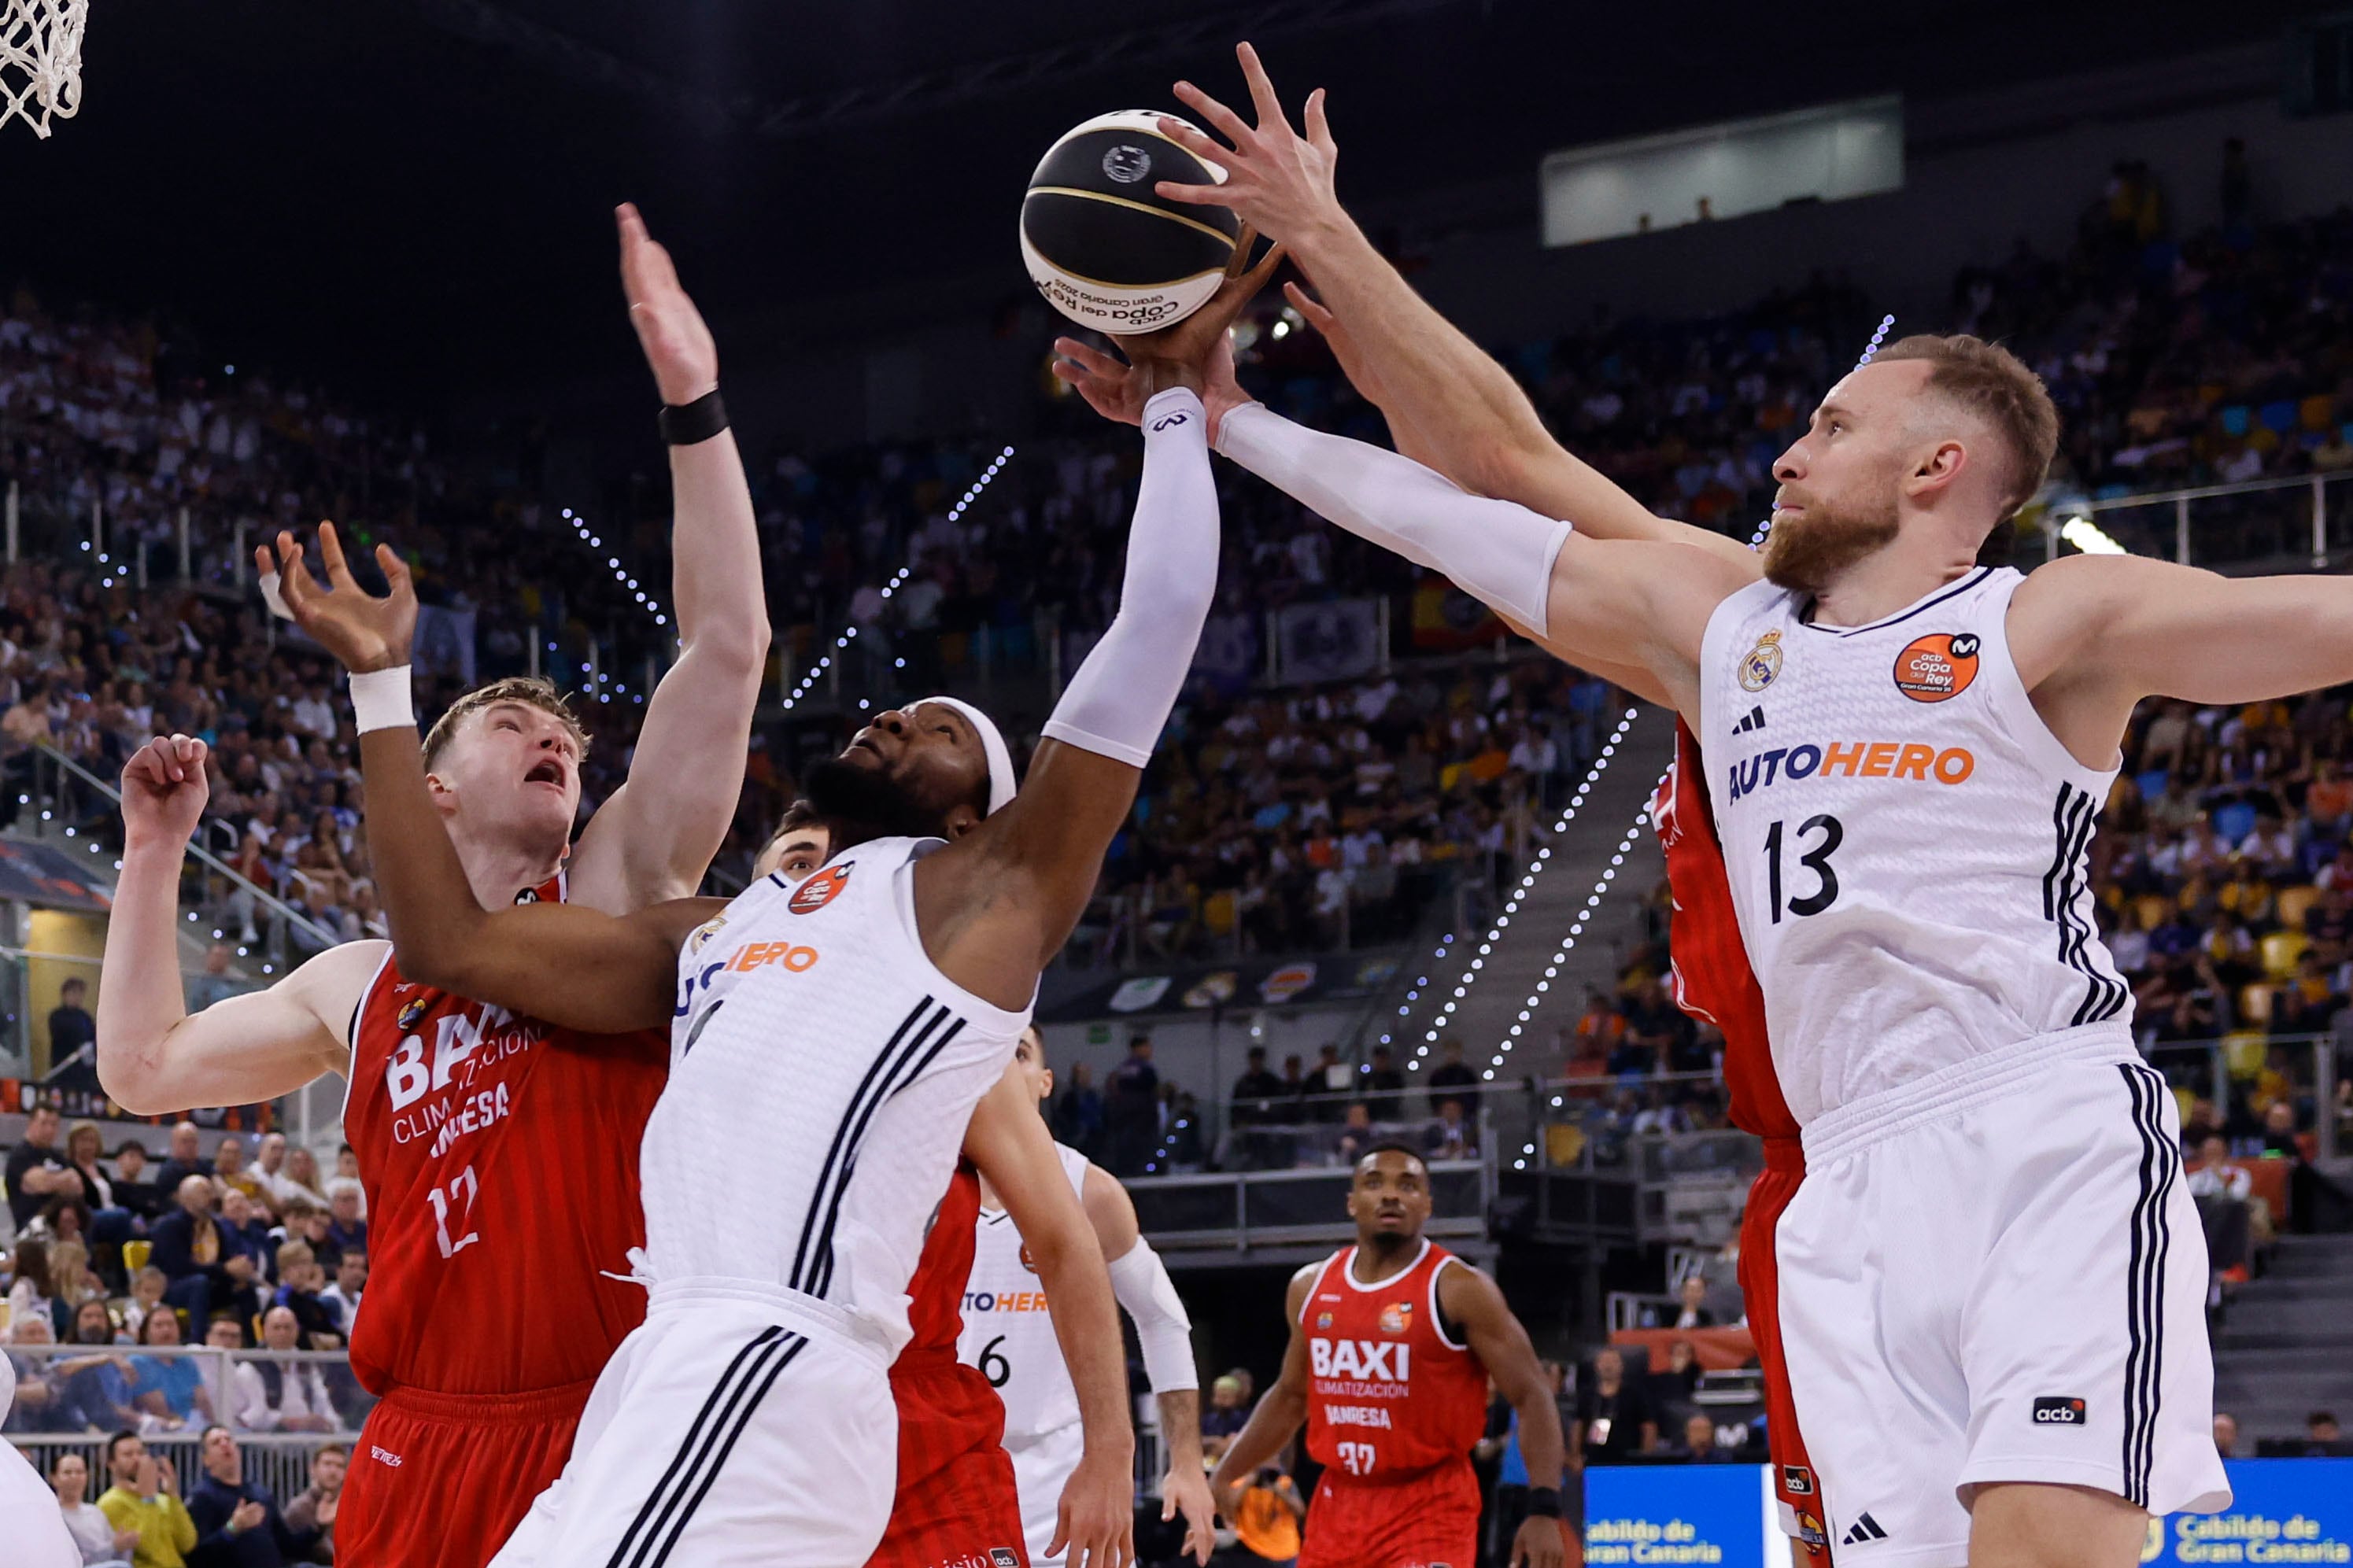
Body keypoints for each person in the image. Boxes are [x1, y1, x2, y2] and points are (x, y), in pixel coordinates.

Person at [1117, 42, 2259, 1564]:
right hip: (1820, 1166)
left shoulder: (1909, 627)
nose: (1784, 451)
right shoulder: (1739, 630)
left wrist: (1313, 261)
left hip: (1990, 1117)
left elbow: (1496, 465)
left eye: (1829, 427)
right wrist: (1234, 391)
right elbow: (1484, 477)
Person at [277, 236, 1269, 1565]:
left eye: (931, 727)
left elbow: (1153, 624)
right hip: (664, 1361)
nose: (889, 715)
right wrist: (380, 690)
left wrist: (1171, 407)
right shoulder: (722, 930)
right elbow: (450, 942)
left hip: (777, 1355)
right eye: (891, 703)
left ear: (977, 814)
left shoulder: (977, 904)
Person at [95, 208, 772, 1568]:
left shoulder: (622, 879)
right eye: (515, 725)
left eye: (568, 738)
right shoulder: (360, 979)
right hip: (421, 1434)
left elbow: (726, 640)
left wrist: (693, 400)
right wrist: (155, 852)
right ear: (435, 785)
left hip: (613, 1415)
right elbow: (141, 1066)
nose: (557, 738)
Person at [1207, 1146, 1568, 1568]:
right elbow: (1290, 1397)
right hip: (1337, 1501)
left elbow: (1532, 1394)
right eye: (1375, 1183)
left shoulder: (1459, 1288)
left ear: (1428, 1205)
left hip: (1430, 1503)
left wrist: (1544, 1507)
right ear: (1352, 1202)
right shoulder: (1310, 1287)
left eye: (1408, 1185)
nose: (1391, 1195)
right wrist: (1223, 1474)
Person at [959, 1028, 1217, 1566]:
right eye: (990, 1050)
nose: (1002, 1065)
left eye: (1020, 1052)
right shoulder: (916, 1185)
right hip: (947, 1466)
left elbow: (1162, 1318)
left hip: (1062, 1468)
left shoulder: (1091, 1190)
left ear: (1045, 1082)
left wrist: (1187, 1462)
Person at [185, 1423, 321, 1565]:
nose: (224, 1444)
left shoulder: (260, 1494)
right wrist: (232, 1528)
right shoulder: (202, 1497)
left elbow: (287, 1546)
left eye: (228, 1439)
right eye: (216, 1442)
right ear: (206, 1459)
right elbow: (197, 1557)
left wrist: (318, 1527)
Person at [96, 1430, 197, 1568]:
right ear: (111, 1463)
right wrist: (148, 1498)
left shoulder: (162, 1499)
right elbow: (147, 1547)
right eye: (128, 1455)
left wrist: (173, 1496)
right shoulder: (110, 1503)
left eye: (141, 1453)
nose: (137, 1459)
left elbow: (188, 1543)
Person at [128, 1306, 212, 1429]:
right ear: (146, 1332)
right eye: (159, 1325)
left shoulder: (187, 1361)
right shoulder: (138, 1362)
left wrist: (214, 1427)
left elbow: (203, 1402)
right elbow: (159, 1409)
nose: (166, 1330)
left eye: (171, 1324)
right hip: (159, 1431)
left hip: (190, 1427)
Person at [54, 1448, 140, 1566]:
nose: (74, 1477)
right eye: (67, 1472)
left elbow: (116, 1551)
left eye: (80, 1472)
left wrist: (124, 1545)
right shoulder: (54, 1515)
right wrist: (114, 1547)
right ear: (54, 1478)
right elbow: (76, 1557)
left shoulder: (95, 1512)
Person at [8, 1103, 85, 1230]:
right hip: (34, 1225)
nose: (49, 1130)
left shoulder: (57, 1156)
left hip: (66, 1220)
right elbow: (41, 1184)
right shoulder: (21, 1155)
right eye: (43, 1123)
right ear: (31, 1123)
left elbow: (78, 1188)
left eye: (54, 1125)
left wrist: (50, 1181)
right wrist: (65, 1180)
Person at [1575, 1348, 1658, 1465]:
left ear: (1622, 1366)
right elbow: (1578, 1426)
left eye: (1613, 1361)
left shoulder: (1635, 1394)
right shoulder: (1587, 1395)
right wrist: (1575, 1455)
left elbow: (1649, 1427)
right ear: (1596, 1366)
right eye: (1604, 1361)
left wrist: (1645, 1458)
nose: (1608, 1366)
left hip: (1628, 1459)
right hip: (1593, 1458)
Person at [1225, 1467, 1305, 1566]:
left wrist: (1279, 1491)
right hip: (1253, 1549)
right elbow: (1227, 1508)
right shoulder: (1241, 1483)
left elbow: (1300, 1512)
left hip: (1285, 1551)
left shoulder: (1285, 1483)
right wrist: (1248, 1483)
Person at [279, 1444, 344, 1560]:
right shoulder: (299, 1508)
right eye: (327, 1464)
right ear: (313, 1469)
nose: (333, 1471)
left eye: (340, 1466)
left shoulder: (350, 1505)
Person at [43, 977, 100, 1092]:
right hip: (64, 1070)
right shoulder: (57, 1016)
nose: (77, 997)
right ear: (65, 994)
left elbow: (93, 1036)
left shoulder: (85, 1017)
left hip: (84, 1073)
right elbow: (62, 1034)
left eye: (80, 993)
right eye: (74, 992)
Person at [109, 1142, 164, 1224]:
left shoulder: (151, 1189)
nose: (136, 1161)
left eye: (141, 1157)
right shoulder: (114, 1188)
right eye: (131, 1156)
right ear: (119, 1159)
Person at [151, 1125, 212, 1199]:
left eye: (193, 1141)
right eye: (185, 1141)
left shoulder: (205, 1166)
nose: (190, 1145)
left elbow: (217, 1186)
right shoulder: (167, 1172)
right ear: (173, 1144)